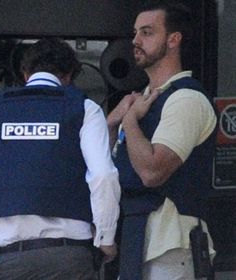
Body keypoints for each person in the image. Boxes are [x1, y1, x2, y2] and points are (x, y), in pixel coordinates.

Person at [0, 38, 121, 280]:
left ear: (25, 73)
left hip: (9, 259)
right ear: (69, 77)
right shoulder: (85, 109)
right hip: (71, 258)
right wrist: (106, 237)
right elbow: (104, 176)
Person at [106, 1, 217, 279]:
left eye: (147, 32)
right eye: (135, 33)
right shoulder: (140, 99)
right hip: (133, 241)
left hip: (169, 245)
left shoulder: (186, 99)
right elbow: (108, 170)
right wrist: (110, 124)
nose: (135, 40)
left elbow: (152, 172)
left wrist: (130, 122)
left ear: (173, 39)